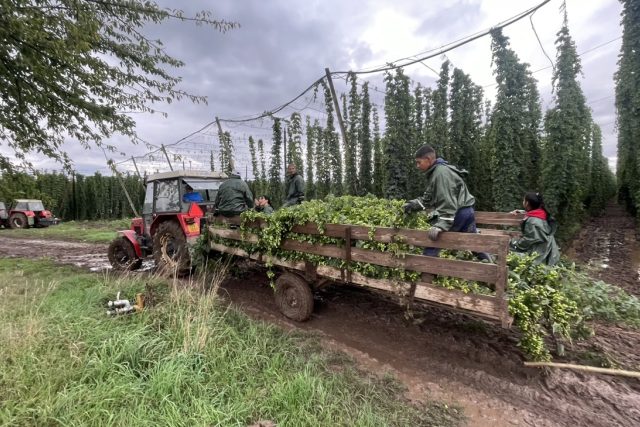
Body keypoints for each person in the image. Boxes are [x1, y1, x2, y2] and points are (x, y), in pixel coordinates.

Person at [403, 144, 490, 260]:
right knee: (473, 243)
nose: (417, 166)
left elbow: (448, 202)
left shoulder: (441, 174)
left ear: (428, 159)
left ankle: (427, 274)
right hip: (466, 211)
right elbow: (428, 199)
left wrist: (441, 225)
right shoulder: (437, 172)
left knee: (433, 243)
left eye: (419, 162)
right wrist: (412, 205)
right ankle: (491, 266)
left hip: (458, 213)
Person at [509, 192, 560, 266]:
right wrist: (520, 212)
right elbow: (531, 213)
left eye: (524, 200)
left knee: (508, 251)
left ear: (527, 203)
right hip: (548, 248)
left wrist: (514, 243)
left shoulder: (532, 221)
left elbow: (529, 239)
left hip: (540, 252)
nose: (522, 202)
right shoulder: (542, 213)